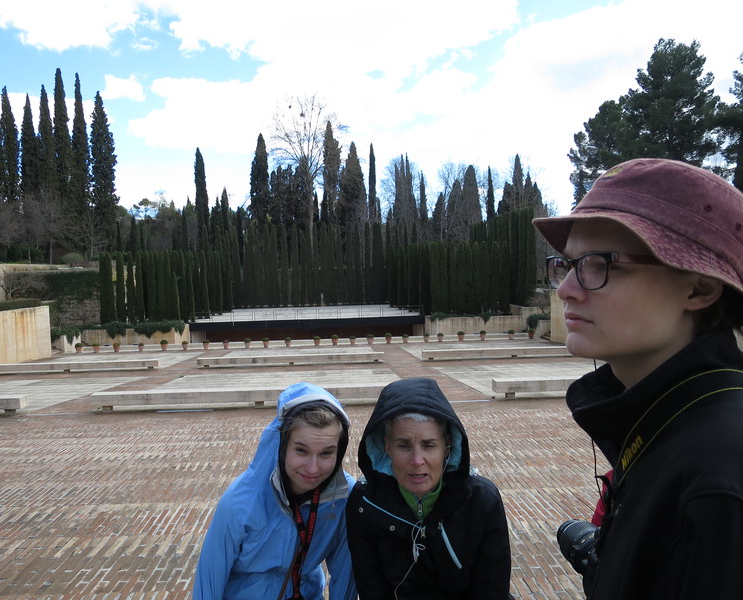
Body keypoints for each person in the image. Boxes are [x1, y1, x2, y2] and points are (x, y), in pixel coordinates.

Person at [533, 157, 743, 599]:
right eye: (567, 265)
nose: (566, 289)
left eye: (599, 264)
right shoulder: (666, 423)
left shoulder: (719, 476)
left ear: (700, 288)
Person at [346, 377, 512, 599]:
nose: (417, 460)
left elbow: (491, 589)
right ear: (387, 446)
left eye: (429, 445)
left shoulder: (481, 500)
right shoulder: (365, 503)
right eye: (403, 445)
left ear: (447, 446)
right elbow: (372, 590)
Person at [192, 382, 357, 600]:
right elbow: (208, 584)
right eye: (301, 450)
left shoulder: (343, 497)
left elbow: (345, 577)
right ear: (281, 445)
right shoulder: (241, 502)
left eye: (326, 453)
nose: (312, 468)